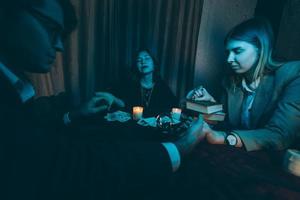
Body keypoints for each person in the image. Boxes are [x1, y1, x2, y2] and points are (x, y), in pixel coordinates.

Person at [0, 1, 205, 199]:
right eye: (51, 28)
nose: (60, 45)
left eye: (147, 59)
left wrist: (74, 114)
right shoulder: (127, 83)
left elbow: (170, 110)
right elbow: (65, 161)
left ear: (155, 63)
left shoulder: (163, 87)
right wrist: (177, 148)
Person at [187, 17, 300, 151]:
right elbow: (230, 124)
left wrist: (225, 138)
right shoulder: (230, 81)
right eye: (228, 52)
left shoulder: (292, 75)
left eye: (237, 51)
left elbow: (280, 135)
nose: (229, 59)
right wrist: (211, 104)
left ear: (259, 48)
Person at [110, 49, 178, 117]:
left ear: (154, 64)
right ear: (136, 67)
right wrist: (111, 97)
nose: (143, 62)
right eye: (139, 60)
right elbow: (124, 104)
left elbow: (173, 106)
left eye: (147, 58)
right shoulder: (130, 85)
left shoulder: (162, 86)